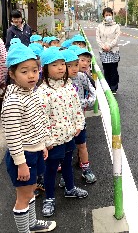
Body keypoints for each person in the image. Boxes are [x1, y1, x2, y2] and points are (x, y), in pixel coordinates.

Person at [1, 41, 56, 232]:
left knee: (31, 189)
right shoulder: (14, 101)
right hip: (22, 156)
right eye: (24, 71)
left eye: (34, 70)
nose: (31, 75)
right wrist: (21, 163)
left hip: (34, 151)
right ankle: (25, 229)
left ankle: (32, 224)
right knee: (23, 197)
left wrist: (42, 145)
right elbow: (13, 136)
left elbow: (35, 122)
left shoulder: (30, 92)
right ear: (12, 74)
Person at [38, 47, 88, 217]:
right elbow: (41, 120)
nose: (60, 68)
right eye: (54, 65)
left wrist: (79, 124)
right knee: (51, 169)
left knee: (67, 162)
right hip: (53, 141)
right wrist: (47, 141)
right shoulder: (43, 92)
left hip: (69, 135)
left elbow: (76, 108)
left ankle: (70, 187)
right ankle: (49, 198)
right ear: (45, 68)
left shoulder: (68, 86)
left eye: (62, 64)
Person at [62, 48, 97, 184]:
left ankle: (86, 169)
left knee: (82, 145)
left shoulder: (82, 77)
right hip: (64, 122)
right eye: (69, 65)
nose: (75, 68)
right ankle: (66, 173)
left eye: (76, 64)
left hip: (79, 119)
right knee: (67, 148)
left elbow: (93, 92)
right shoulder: (60, 81)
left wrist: (84, 102)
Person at [96, 7, 121, 94]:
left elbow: (116, 38)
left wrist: (109, 46)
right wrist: (103, 46)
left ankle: (114, 87)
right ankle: (107, 86)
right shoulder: (99, 26)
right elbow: (98, 38)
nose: (108, 16)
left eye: (109, 14)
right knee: (106, 69)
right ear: (103, 16)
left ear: (112, 15)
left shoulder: (116, 26)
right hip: (103, 51)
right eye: (106, 15)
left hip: (113, 50)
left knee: (113, 69)